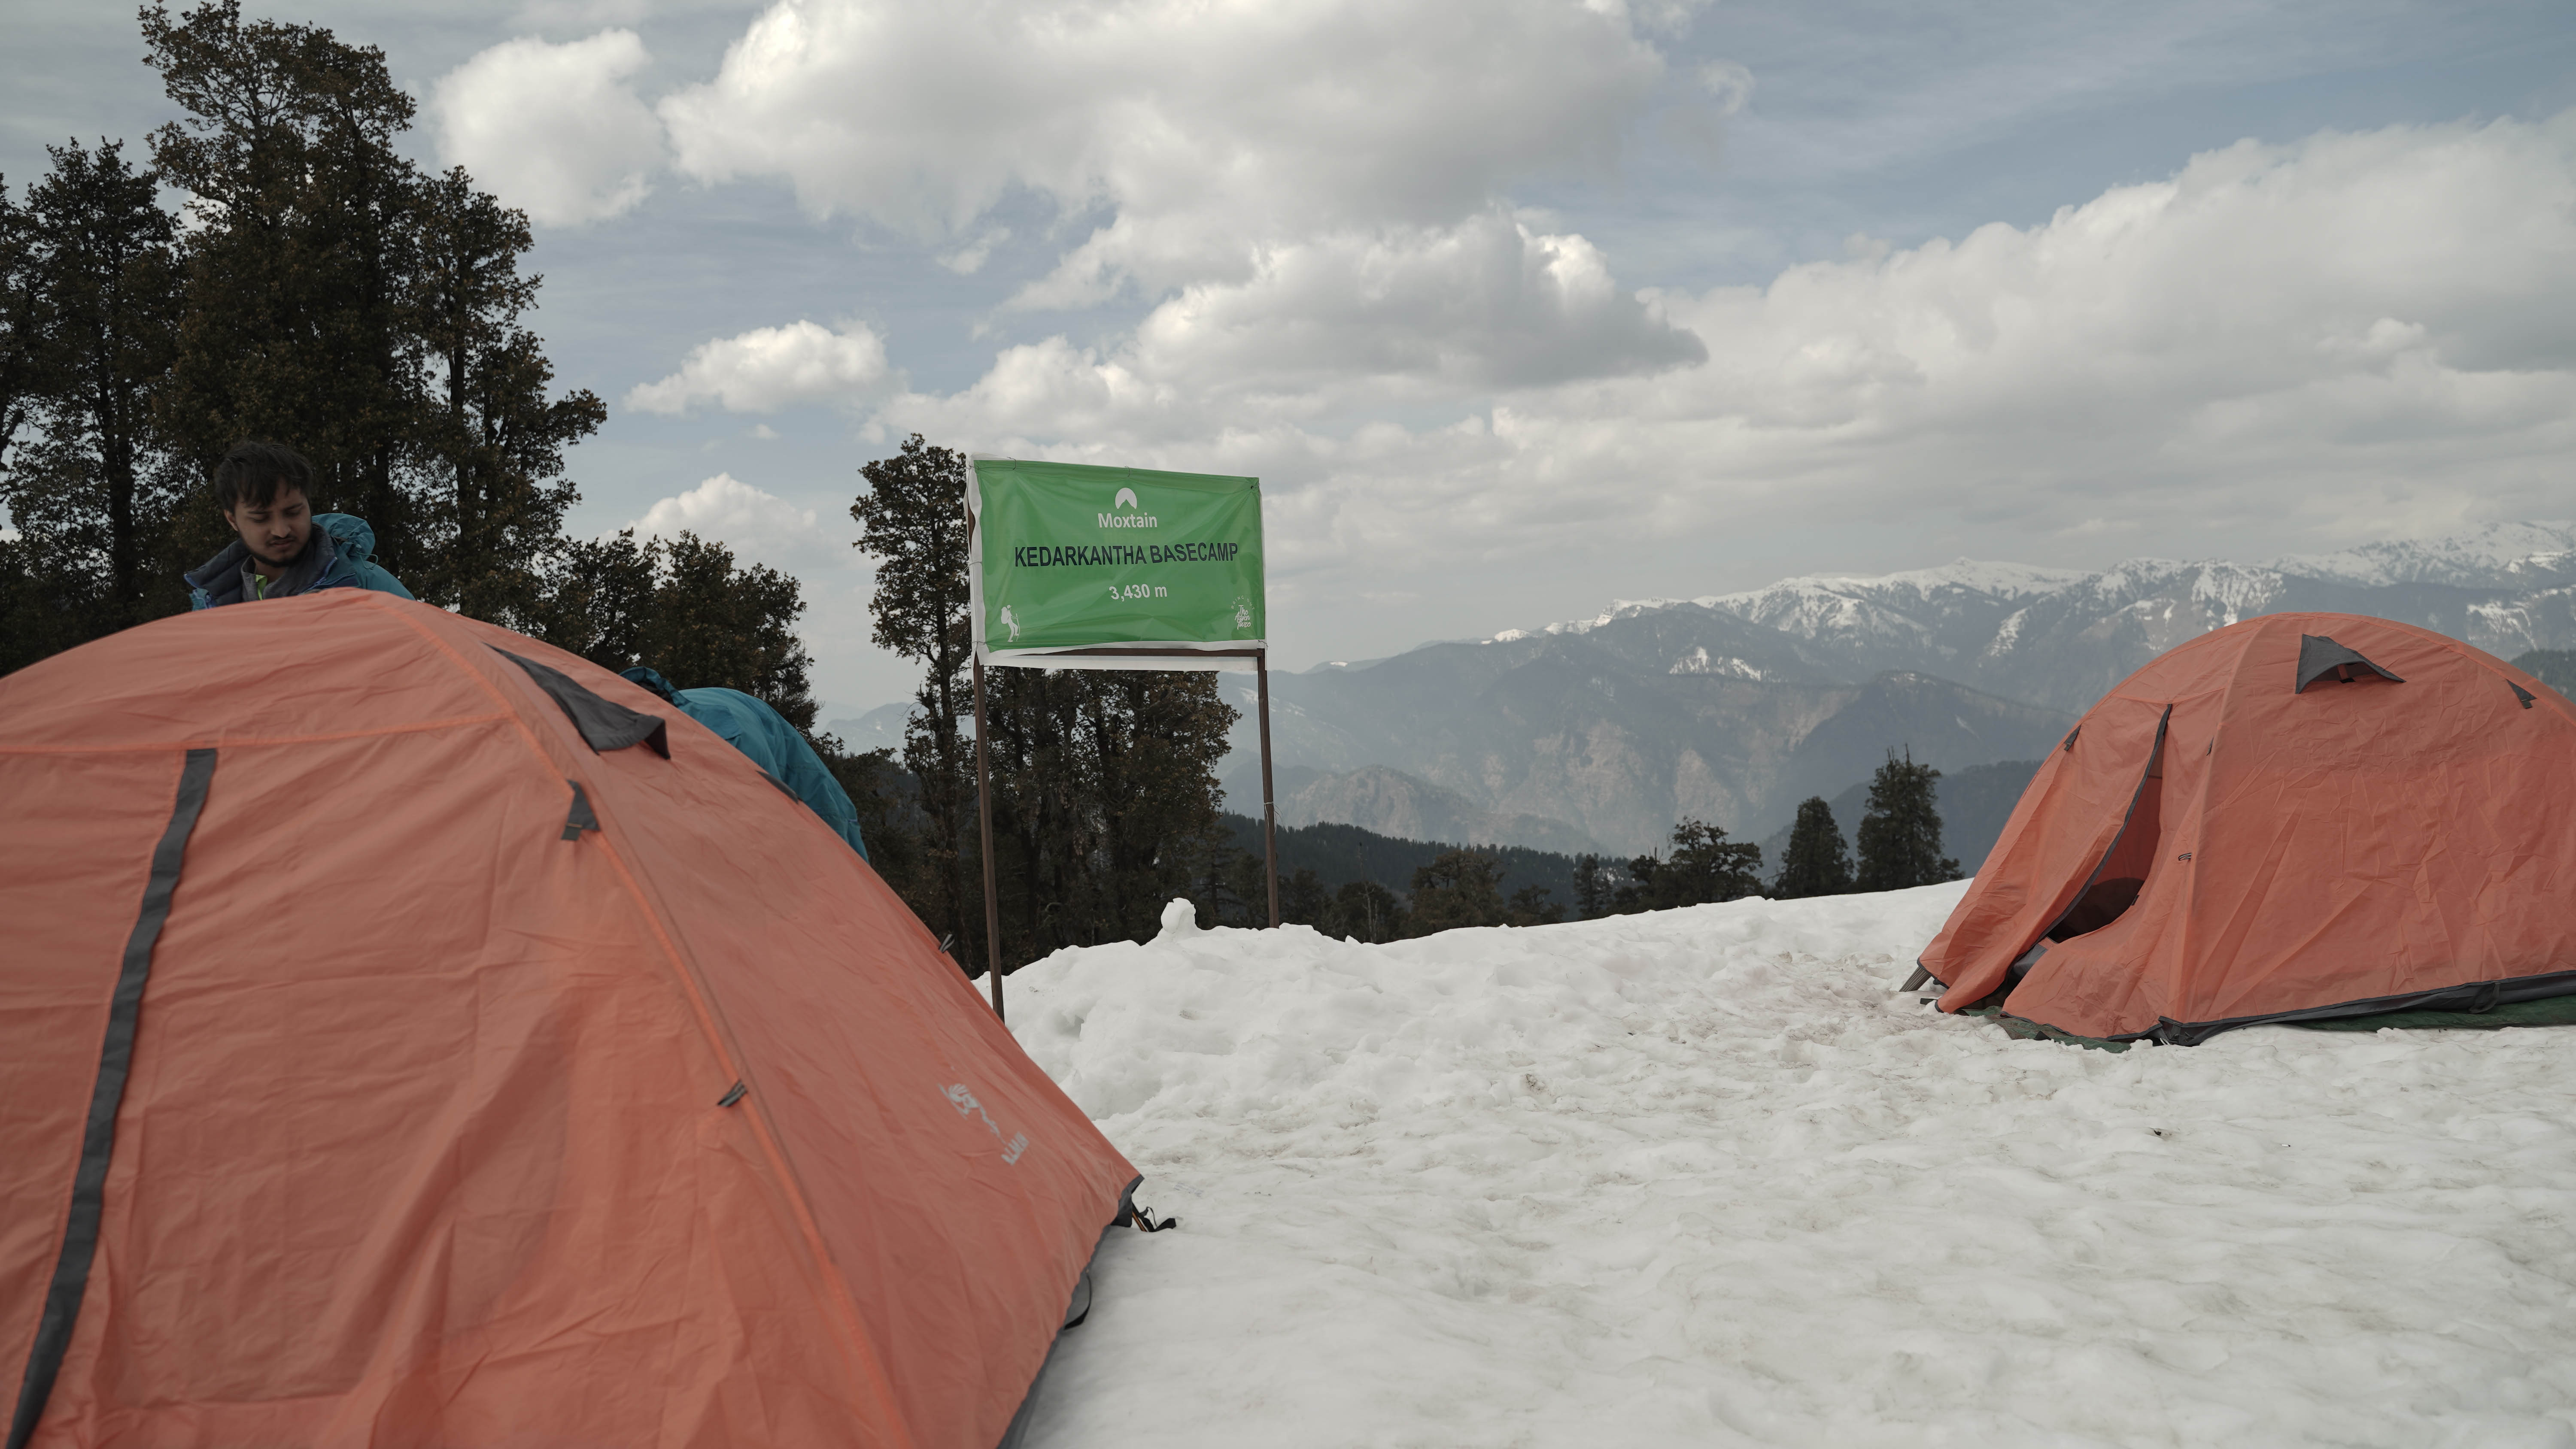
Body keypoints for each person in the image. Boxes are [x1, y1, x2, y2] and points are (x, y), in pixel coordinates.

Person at [620, 666, 869, 861]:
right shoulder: (613, 735)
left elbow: (770, 826)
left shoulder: (733, 746)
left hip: (769, 743)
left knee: (830, 844)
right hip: (732, 714)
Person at [182, 440, 414, 608]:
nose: (282, 531)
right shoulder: (210, 604)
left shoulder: (366, 584)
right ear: (232, 519)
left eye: (293, 512)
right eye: (261, 518)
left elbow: (431, 661)